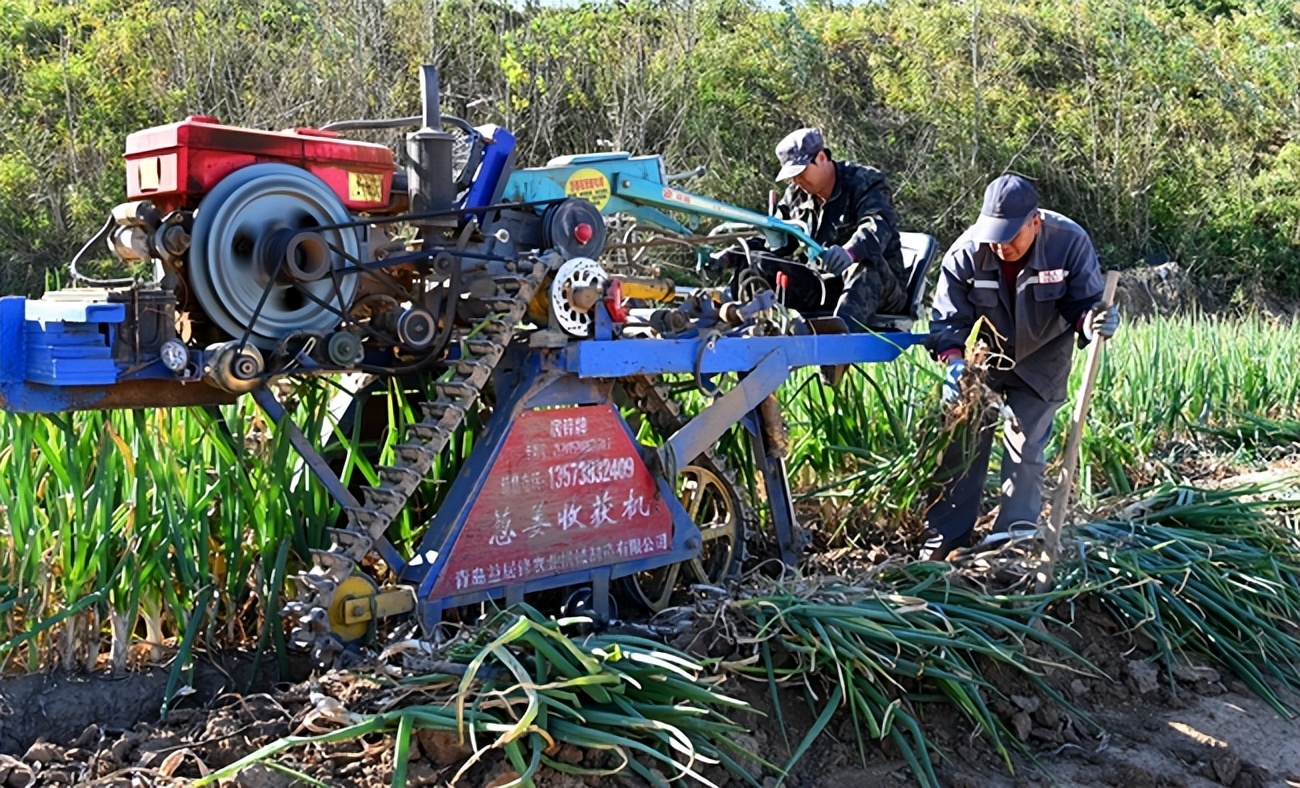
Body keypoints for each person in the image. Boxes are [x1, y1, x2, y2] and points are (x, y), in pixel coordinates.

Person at [921, 174, 1120, 560]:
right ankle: (947, 536)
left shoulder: (1068, 242)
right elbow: (948, 323)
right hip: (984, 358)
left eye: (1011, 235)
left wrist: (1092, 322)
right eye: (994, 235)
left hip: (1043, 355)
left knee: (1025, 444)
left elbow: (1083, 305)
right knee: (963, 440)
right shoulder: (966, 253)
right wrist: (954, 364)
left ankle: (1011, 541)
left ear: (1035, 222)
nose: (1001, 245)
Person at [724, 127, 909, 332]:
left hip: (878, 287)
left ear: (821, 157)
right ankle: (743, 330)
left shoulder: (866, 182)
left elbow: (878, 224)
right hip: (822, 286)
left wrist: (850, 251)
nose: (797, 181)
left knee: (861, 266)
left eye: (801, 172)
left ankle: (838, 346)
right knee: (757, 260)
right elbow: (776, 236)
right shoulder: (797, 194)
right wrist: (733, 256)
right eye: (792, 176)